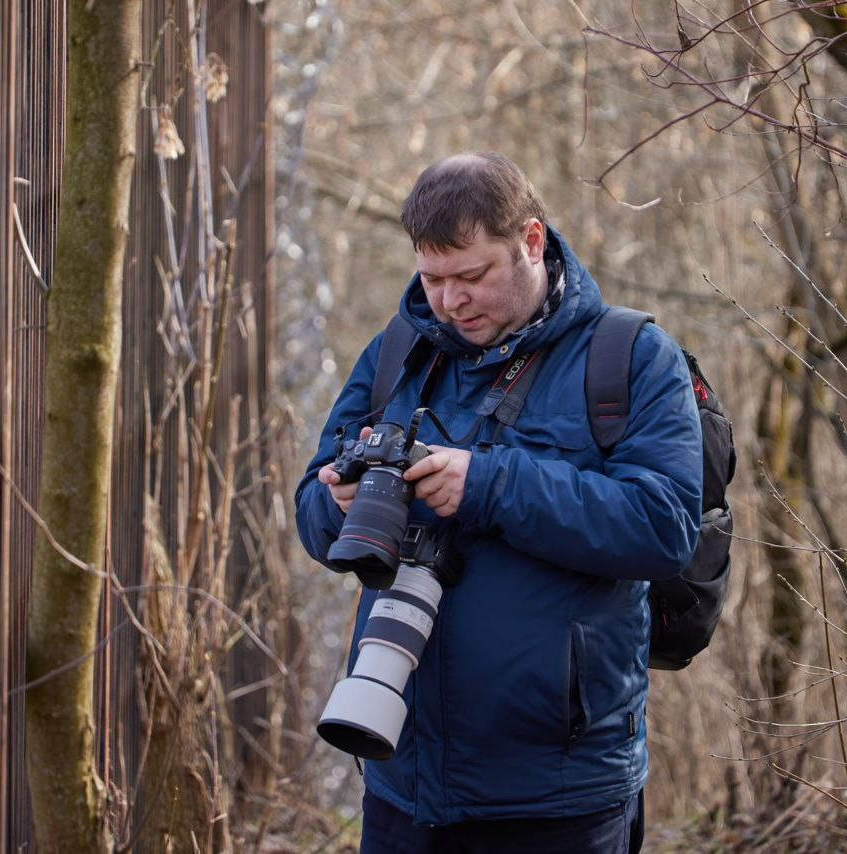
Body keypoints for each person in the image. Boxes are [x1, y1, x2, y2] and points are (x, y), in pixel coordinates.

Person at [294, 152, 703, 853]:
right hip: (404, 773)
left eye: (473, 276)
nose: (451, 302)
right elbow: (310, 509)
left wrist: (488, 485)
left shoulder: (631, 358)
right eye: (432, 279)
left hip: (559, 789)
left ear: (532, 242)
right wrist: (346, 503)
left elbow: (662, 526)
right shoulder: (399, 352)